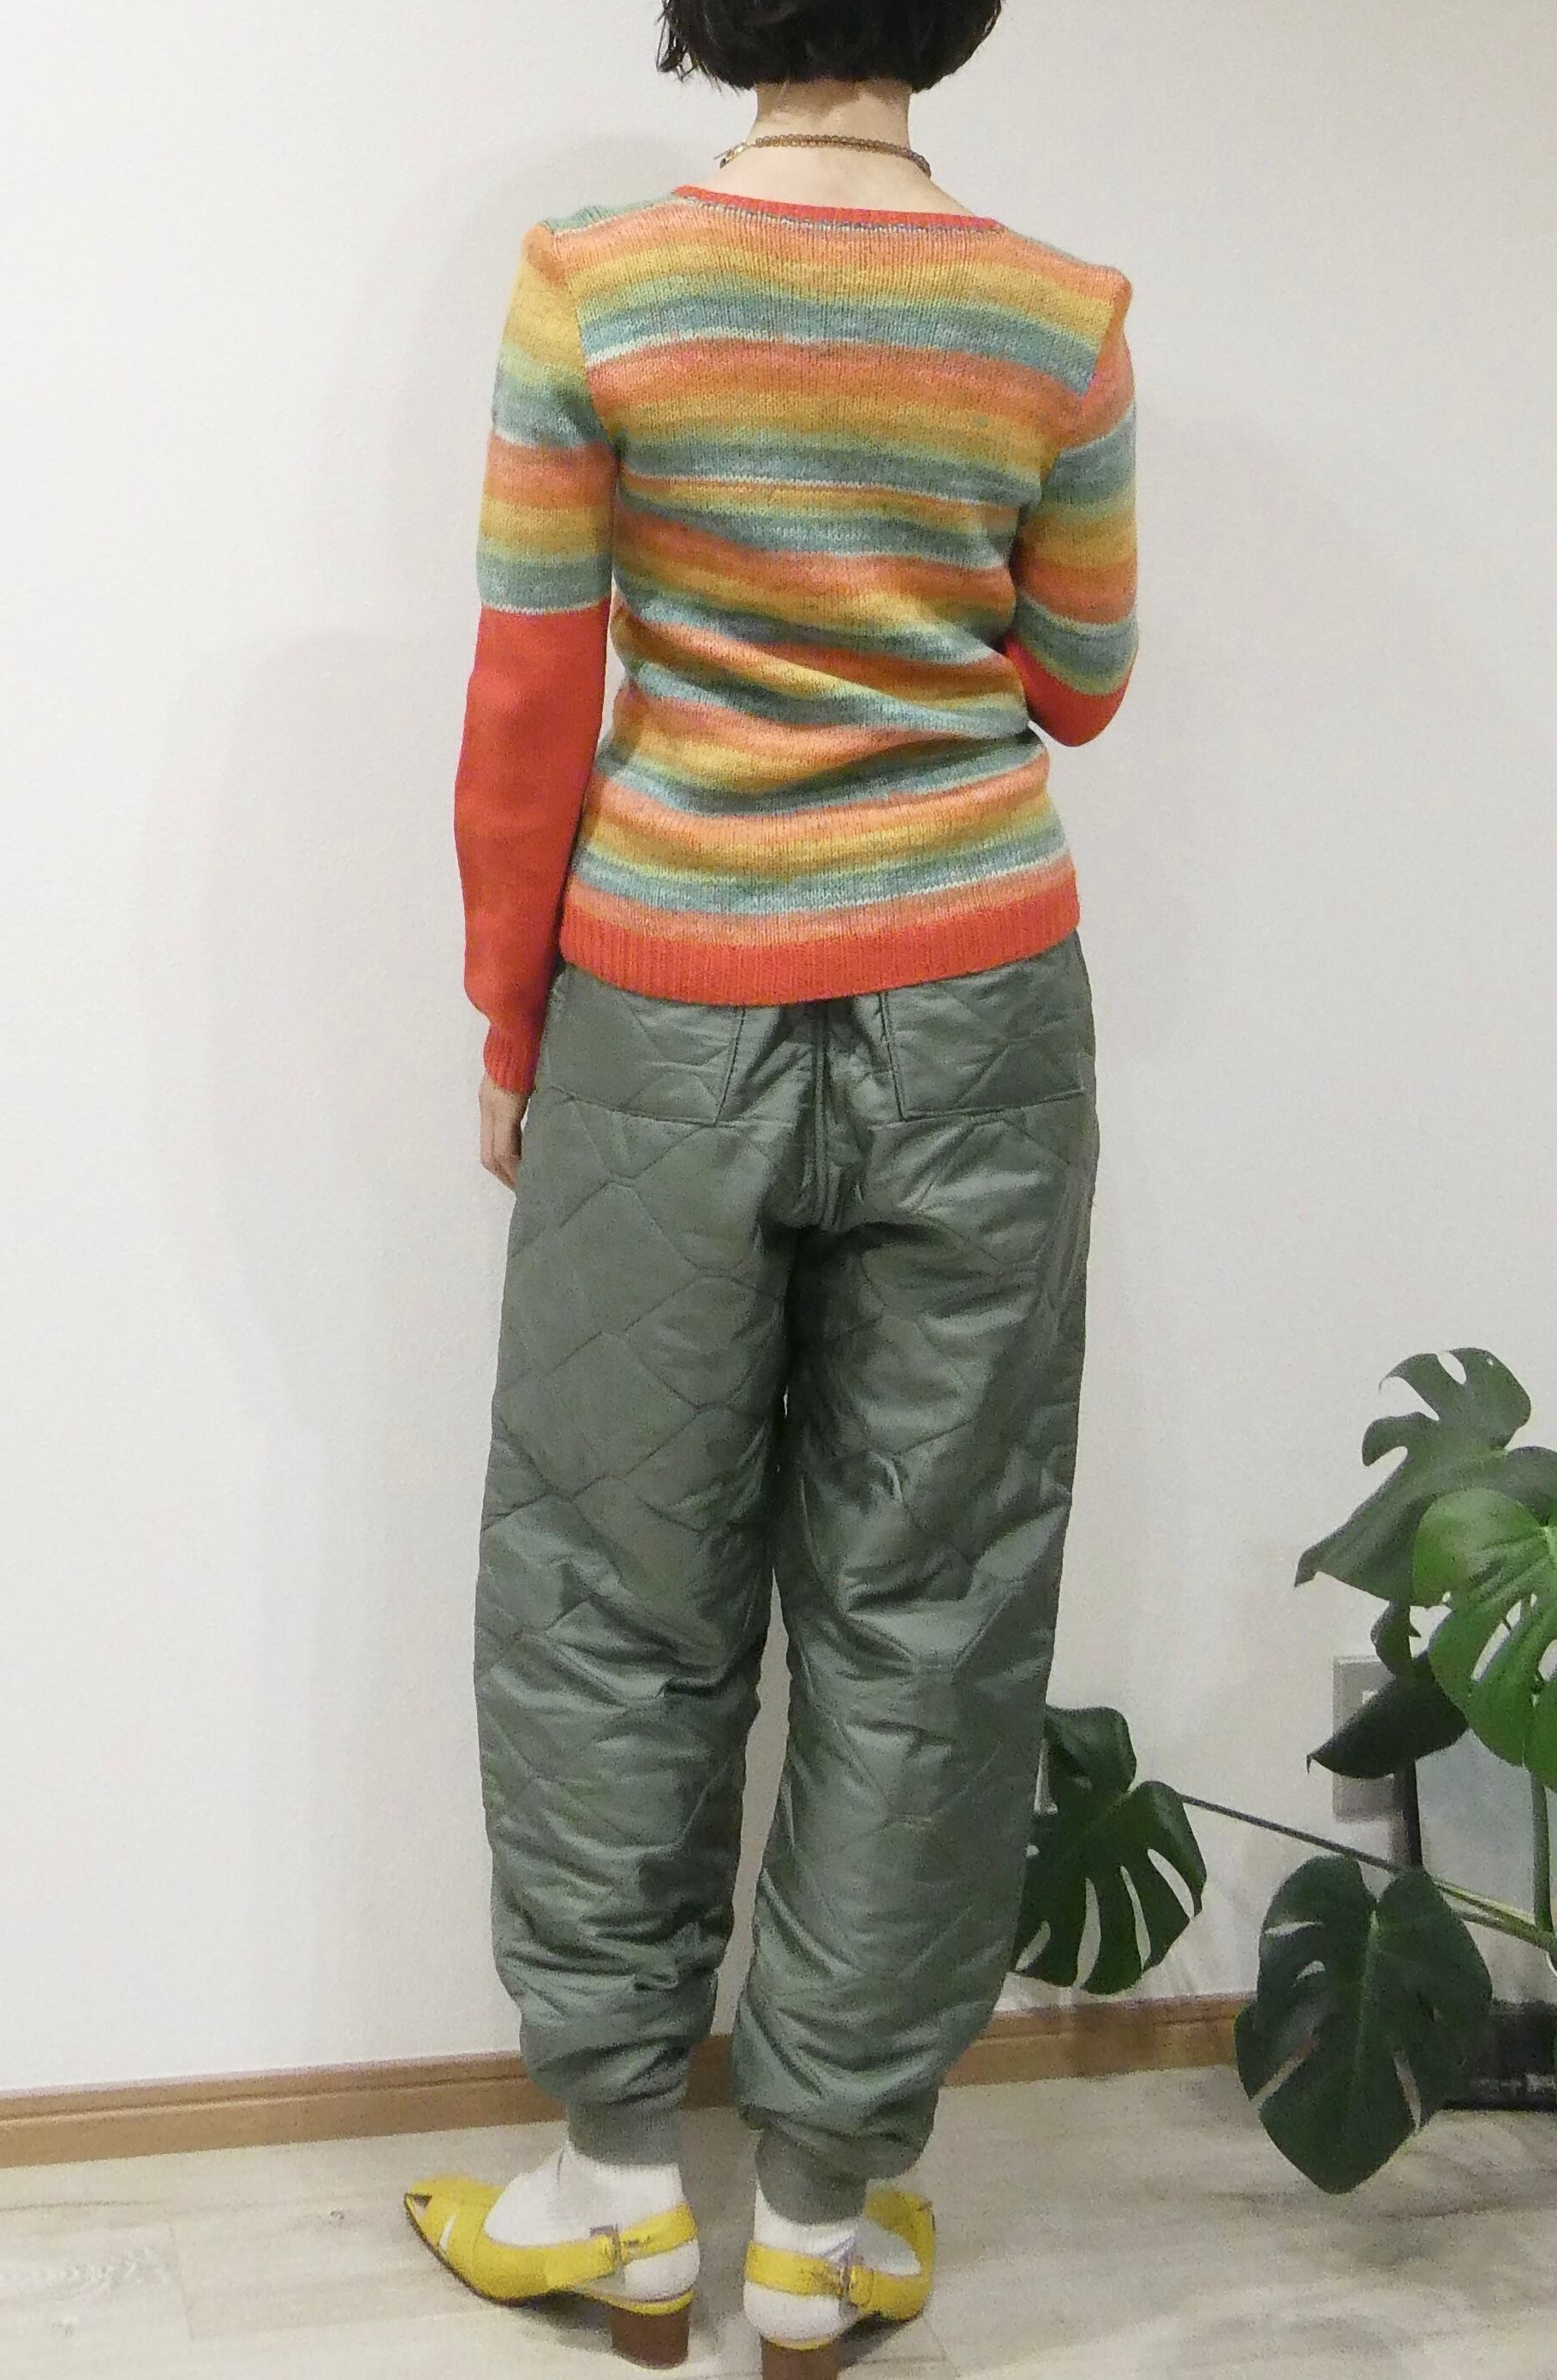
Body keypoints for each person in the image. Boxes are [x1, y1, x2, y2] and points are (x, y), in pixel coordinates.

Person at [403, 2, 1138, 2368]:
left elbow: (532, 695)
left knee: (607, 1584)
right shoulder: (1061, 320)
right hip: (979, 1009)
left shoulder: (592, 286)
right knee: (934, 1600)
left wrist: (512, 1025)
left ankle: (620, 2190)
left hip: (662, 1005)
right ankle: (821, 2222)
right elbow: (1082, 678)